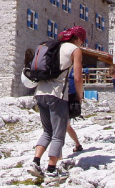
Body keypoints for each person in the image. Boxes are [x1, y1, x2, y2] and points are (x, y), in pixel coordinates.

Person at [28, 26, 85, 179]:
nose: (82, 44)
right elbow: (78, 78)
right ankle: (52, 170)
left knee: (47, 131)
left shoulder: (52, 46)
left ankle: (35, 162)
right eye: (82, 41)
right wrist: (79, 96)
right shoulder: (75, 50)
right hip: (57, 94)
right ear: (78, 38)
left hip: (40, 92)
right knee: (59, 134)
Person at [66, 68, 83, 152]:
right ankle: (78, 144)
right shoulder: (74, 69)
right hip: (71, 97)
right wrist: (80, 97)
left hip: (64, 98)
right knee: (67, 126)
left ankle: (58, 155)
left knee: (63, 126)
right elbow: (79, 81)